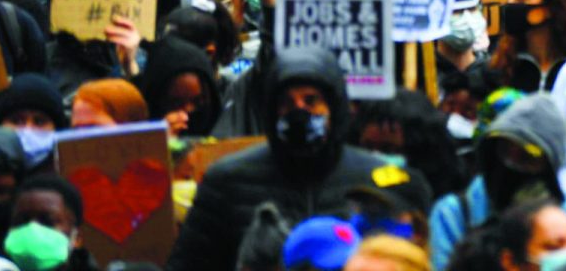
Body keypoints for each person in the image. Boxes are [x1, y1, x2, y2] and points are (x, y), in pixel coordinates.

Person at [167, 48, 397, 271]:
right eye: (287, 103)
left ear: (334, 107)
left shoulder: (375, 180)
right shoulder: (227, 181)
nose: (299, 112)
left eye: (310, 101)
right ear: (271, 111)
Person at [427, 96, 566, 267]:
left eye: (528, 157)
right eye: (505, 152)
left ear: (551, 165)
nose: (512, 166)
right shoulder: (455, 214)